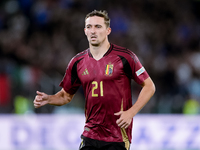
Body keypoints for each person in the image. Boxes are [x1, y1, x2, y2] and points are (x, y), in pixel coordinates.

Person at [34, 10, 156, 150]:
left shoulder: (125, 57)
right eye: (89, 27)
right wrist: (49, 99)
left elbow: (149, 86)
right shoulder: (77, 62)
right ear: (85, 31)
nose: (93, 31)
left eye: (98, 27)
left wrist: (131, 112)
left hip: (117, 136)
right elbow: (65, 95)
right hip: (90, 134)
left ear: (108, 30)